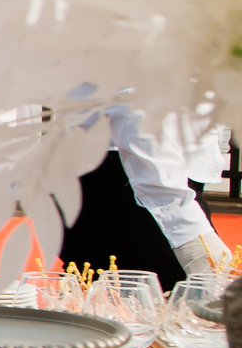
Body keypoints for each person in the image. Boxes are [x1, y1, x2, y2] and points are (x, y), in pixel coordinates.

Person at [58, 107, 232, 287]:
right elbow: (134, 110)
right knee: (166, 299)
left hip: (172, 172)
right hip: (132, 175)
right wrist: (188, 232)